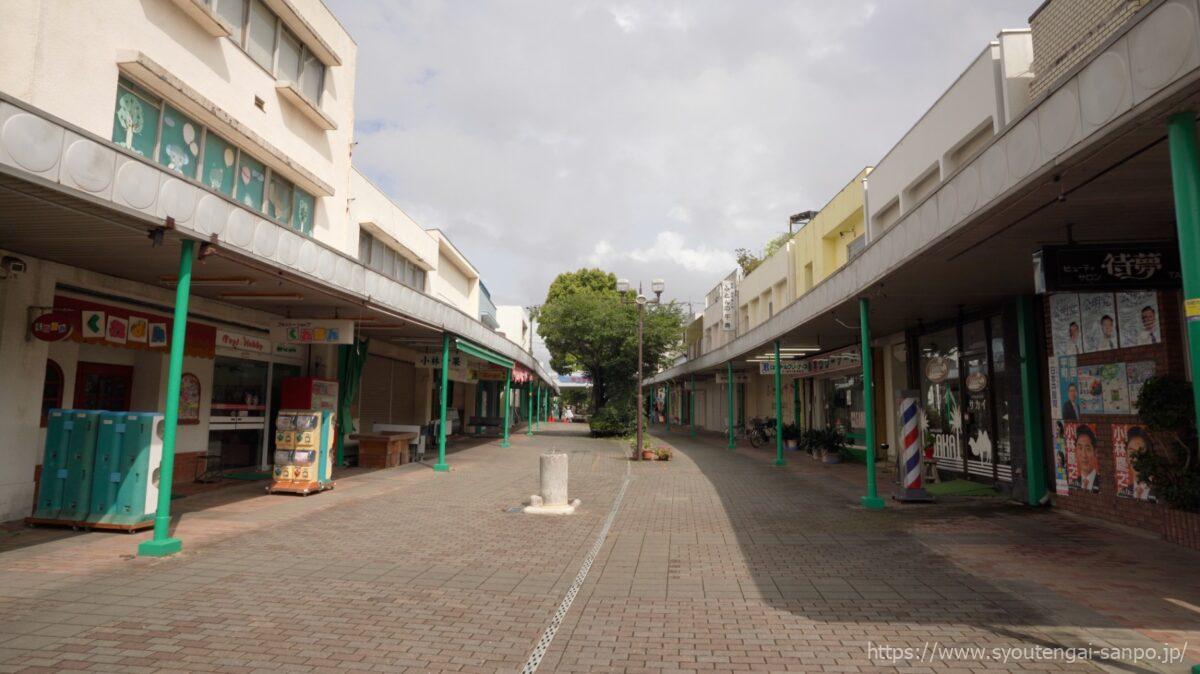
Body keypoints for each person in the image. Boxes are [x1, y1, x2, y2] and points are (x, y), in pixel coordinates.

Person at [1074, 424, 1100, 493]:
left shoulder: (1101, 482)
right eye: (1080, 448)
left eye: (1088, 449)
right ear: (1076, 452)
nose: (1084, 455)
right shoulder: (1074, 483)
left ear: (1095, 452)